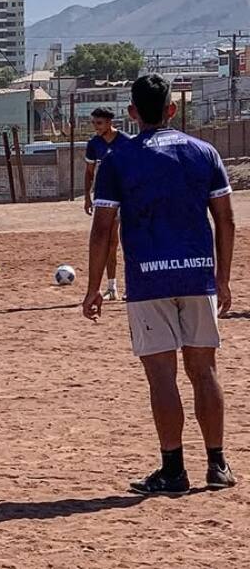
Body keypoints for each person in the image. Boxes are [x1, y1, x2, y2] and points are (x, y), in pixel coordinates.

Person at [85, 73, 237, 494]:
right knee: (204, 370)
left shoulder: (118, 160)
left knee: (162, 376)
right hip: (197, 275)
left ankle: (173, 470)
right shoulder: (204, 152)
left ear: (132, 113)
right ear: (172, 109)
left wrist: (94, 287)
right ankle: (217, 465)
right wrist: (222, 278)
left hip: (148, 279)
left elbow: (103, 229)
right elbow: (225, 220)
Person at [83, 107, 131, 301]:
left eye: (99, 123)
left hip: (126, 196)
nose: (96, 127)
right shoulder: (94, 144)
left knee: (129, 241)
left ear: (110, 122)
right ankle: (112, 287)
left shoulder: (126, 141)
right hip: (106, 198)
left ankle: (131, 286)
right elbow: (89, 172)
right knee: (110, 242)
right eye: (94, 123)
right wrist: (87, 196)